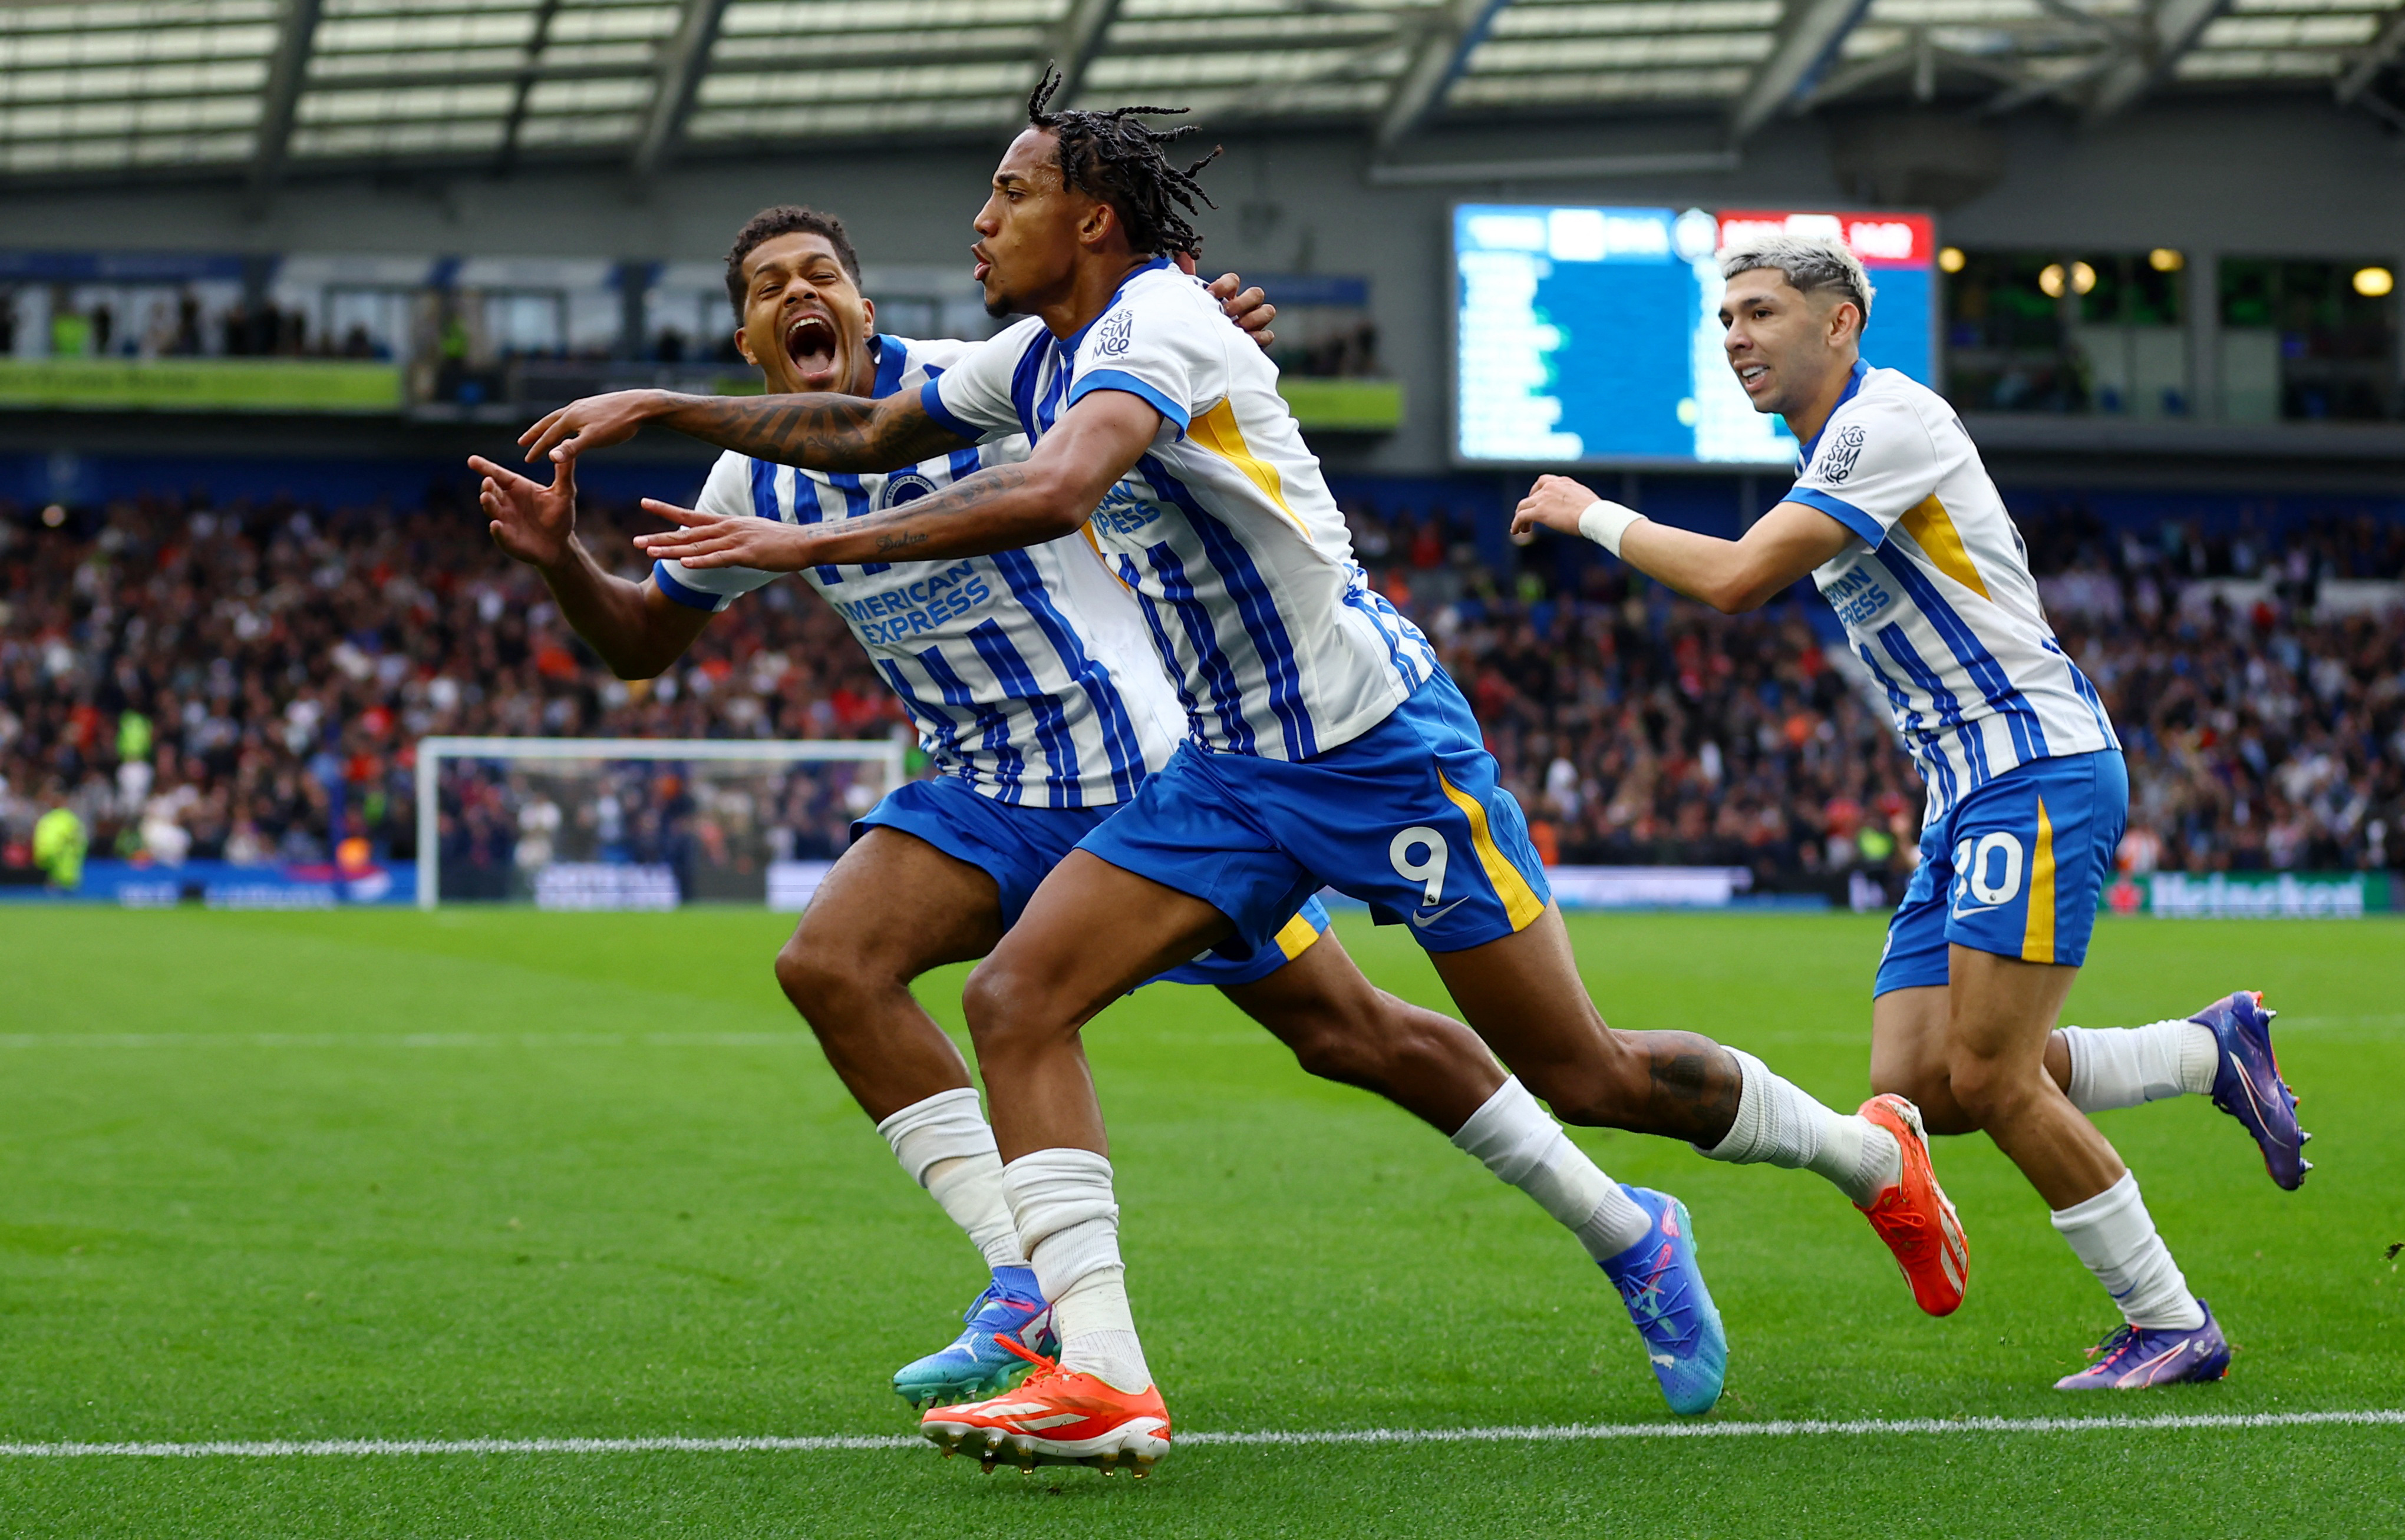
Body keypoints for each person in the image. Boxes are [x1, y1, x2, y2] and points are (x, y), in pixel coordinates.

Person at [520, 75, 1967, 1473]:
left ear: (1091, 220)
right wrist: (656, 409)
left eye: (1009, 193)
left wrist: (804, 547)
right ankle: (1100, 1366)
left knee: (1579, 1071)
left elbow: (1052, 487)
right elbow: (869, 439)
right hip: (1210, 771)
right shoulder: (1031, 356)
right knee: (1010, 997)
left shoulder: (1154, 319)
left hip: (1375, 751)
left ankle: (1855, 1162)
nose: (979, 220)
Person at [1511, 233, 2308, 1393]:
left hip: (2032, 767)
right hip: (1965, 793)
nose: (1735, 334)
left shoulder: (1888, 422)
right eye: (1725, 316)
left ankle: (2169, 1317)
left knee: (1990, 1077)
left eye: (1761, 311)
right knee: (1922, 1082)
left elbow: (1738, 581)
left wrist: (1590, 512)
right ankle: (2205, 1049)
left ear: (1840, 322)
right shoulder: (1838, 446)